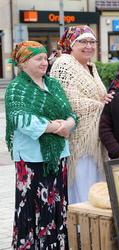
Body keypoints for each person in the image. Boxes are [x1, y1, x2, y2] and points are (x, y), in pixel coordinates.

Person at [5, 41, 77, 249]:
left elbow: (70, 112)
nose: (44, 62)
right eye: (38, 58)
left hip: (58, 155)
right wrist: (56, 127)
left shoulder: (53, 84)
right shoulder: (17, 88)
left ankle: (56, 244)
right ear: (24, 62)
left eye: (46, 58)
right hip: (31, 159)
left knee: (56, 204)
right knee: (32, 207)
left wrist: (68, 123)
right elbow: (20, 119)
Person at [50, 25, 111, 204]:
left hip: (96, 138)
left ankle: (95, 226)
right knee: (83, 186)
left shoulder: (90, 66)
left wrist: (104, 98)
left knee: (96, 186)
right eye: (82, 41)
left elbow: (96, 95)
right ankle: (80, 227)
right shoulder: (64, 64)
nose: (89, 46)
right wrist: (101, 104)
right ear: (71, 43)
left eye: (92, 41)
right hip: (79, 138)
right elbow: (69, 100)